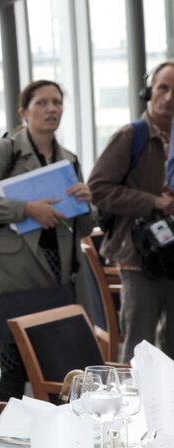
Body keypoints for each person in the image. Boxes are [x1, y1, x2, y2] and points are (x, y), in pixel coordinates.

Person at [0, 80, 94, 400]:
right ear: (24, 112)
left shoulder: (68, 159)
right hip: (16, 279)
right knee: (13, 368)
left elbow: (82, 227)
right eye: (42, 103)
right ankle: (1, 437)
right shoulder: (6, 151)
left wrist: (87, 201)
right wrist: (27, 209)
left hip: (60, 280)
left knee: (64, 370)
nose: (51, 109)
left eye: (57, 102)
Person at [89, 61, 174, 363]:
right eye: (163, 88)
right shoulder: (132, 135)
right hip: (141, 257)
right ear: (148, 91)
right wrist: (152, 201)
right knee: (140, 349)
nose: (168, 97)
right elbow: (97, 189)